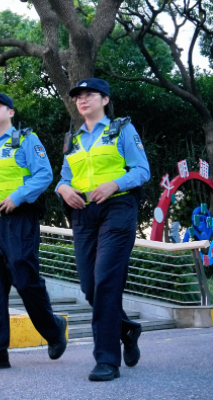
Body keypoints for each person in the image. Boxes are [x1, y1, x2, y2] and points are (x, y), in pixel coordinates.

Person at [0, 93, 67, 372]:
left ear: (10, 112)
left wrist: (18, 197)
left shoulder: (25, 140)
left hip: (18, 219)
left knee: (25, 279)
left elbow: (44, 173)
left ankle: (54, 329)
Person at [56, 78, 150, 381]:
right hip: (84, 213)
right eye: (78, 97)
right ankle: (126, 329)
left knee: (106, 280)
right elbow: (64, 176)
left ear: (104, 100)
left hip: (118, 208)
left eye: (89, 95)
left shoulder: (122, 130)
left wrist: (114, 184)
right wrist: (63, 189)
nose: (82, 100)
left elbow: (141, 170)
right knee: (90, 286)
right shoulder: (74, 138)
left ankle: (107, 361)